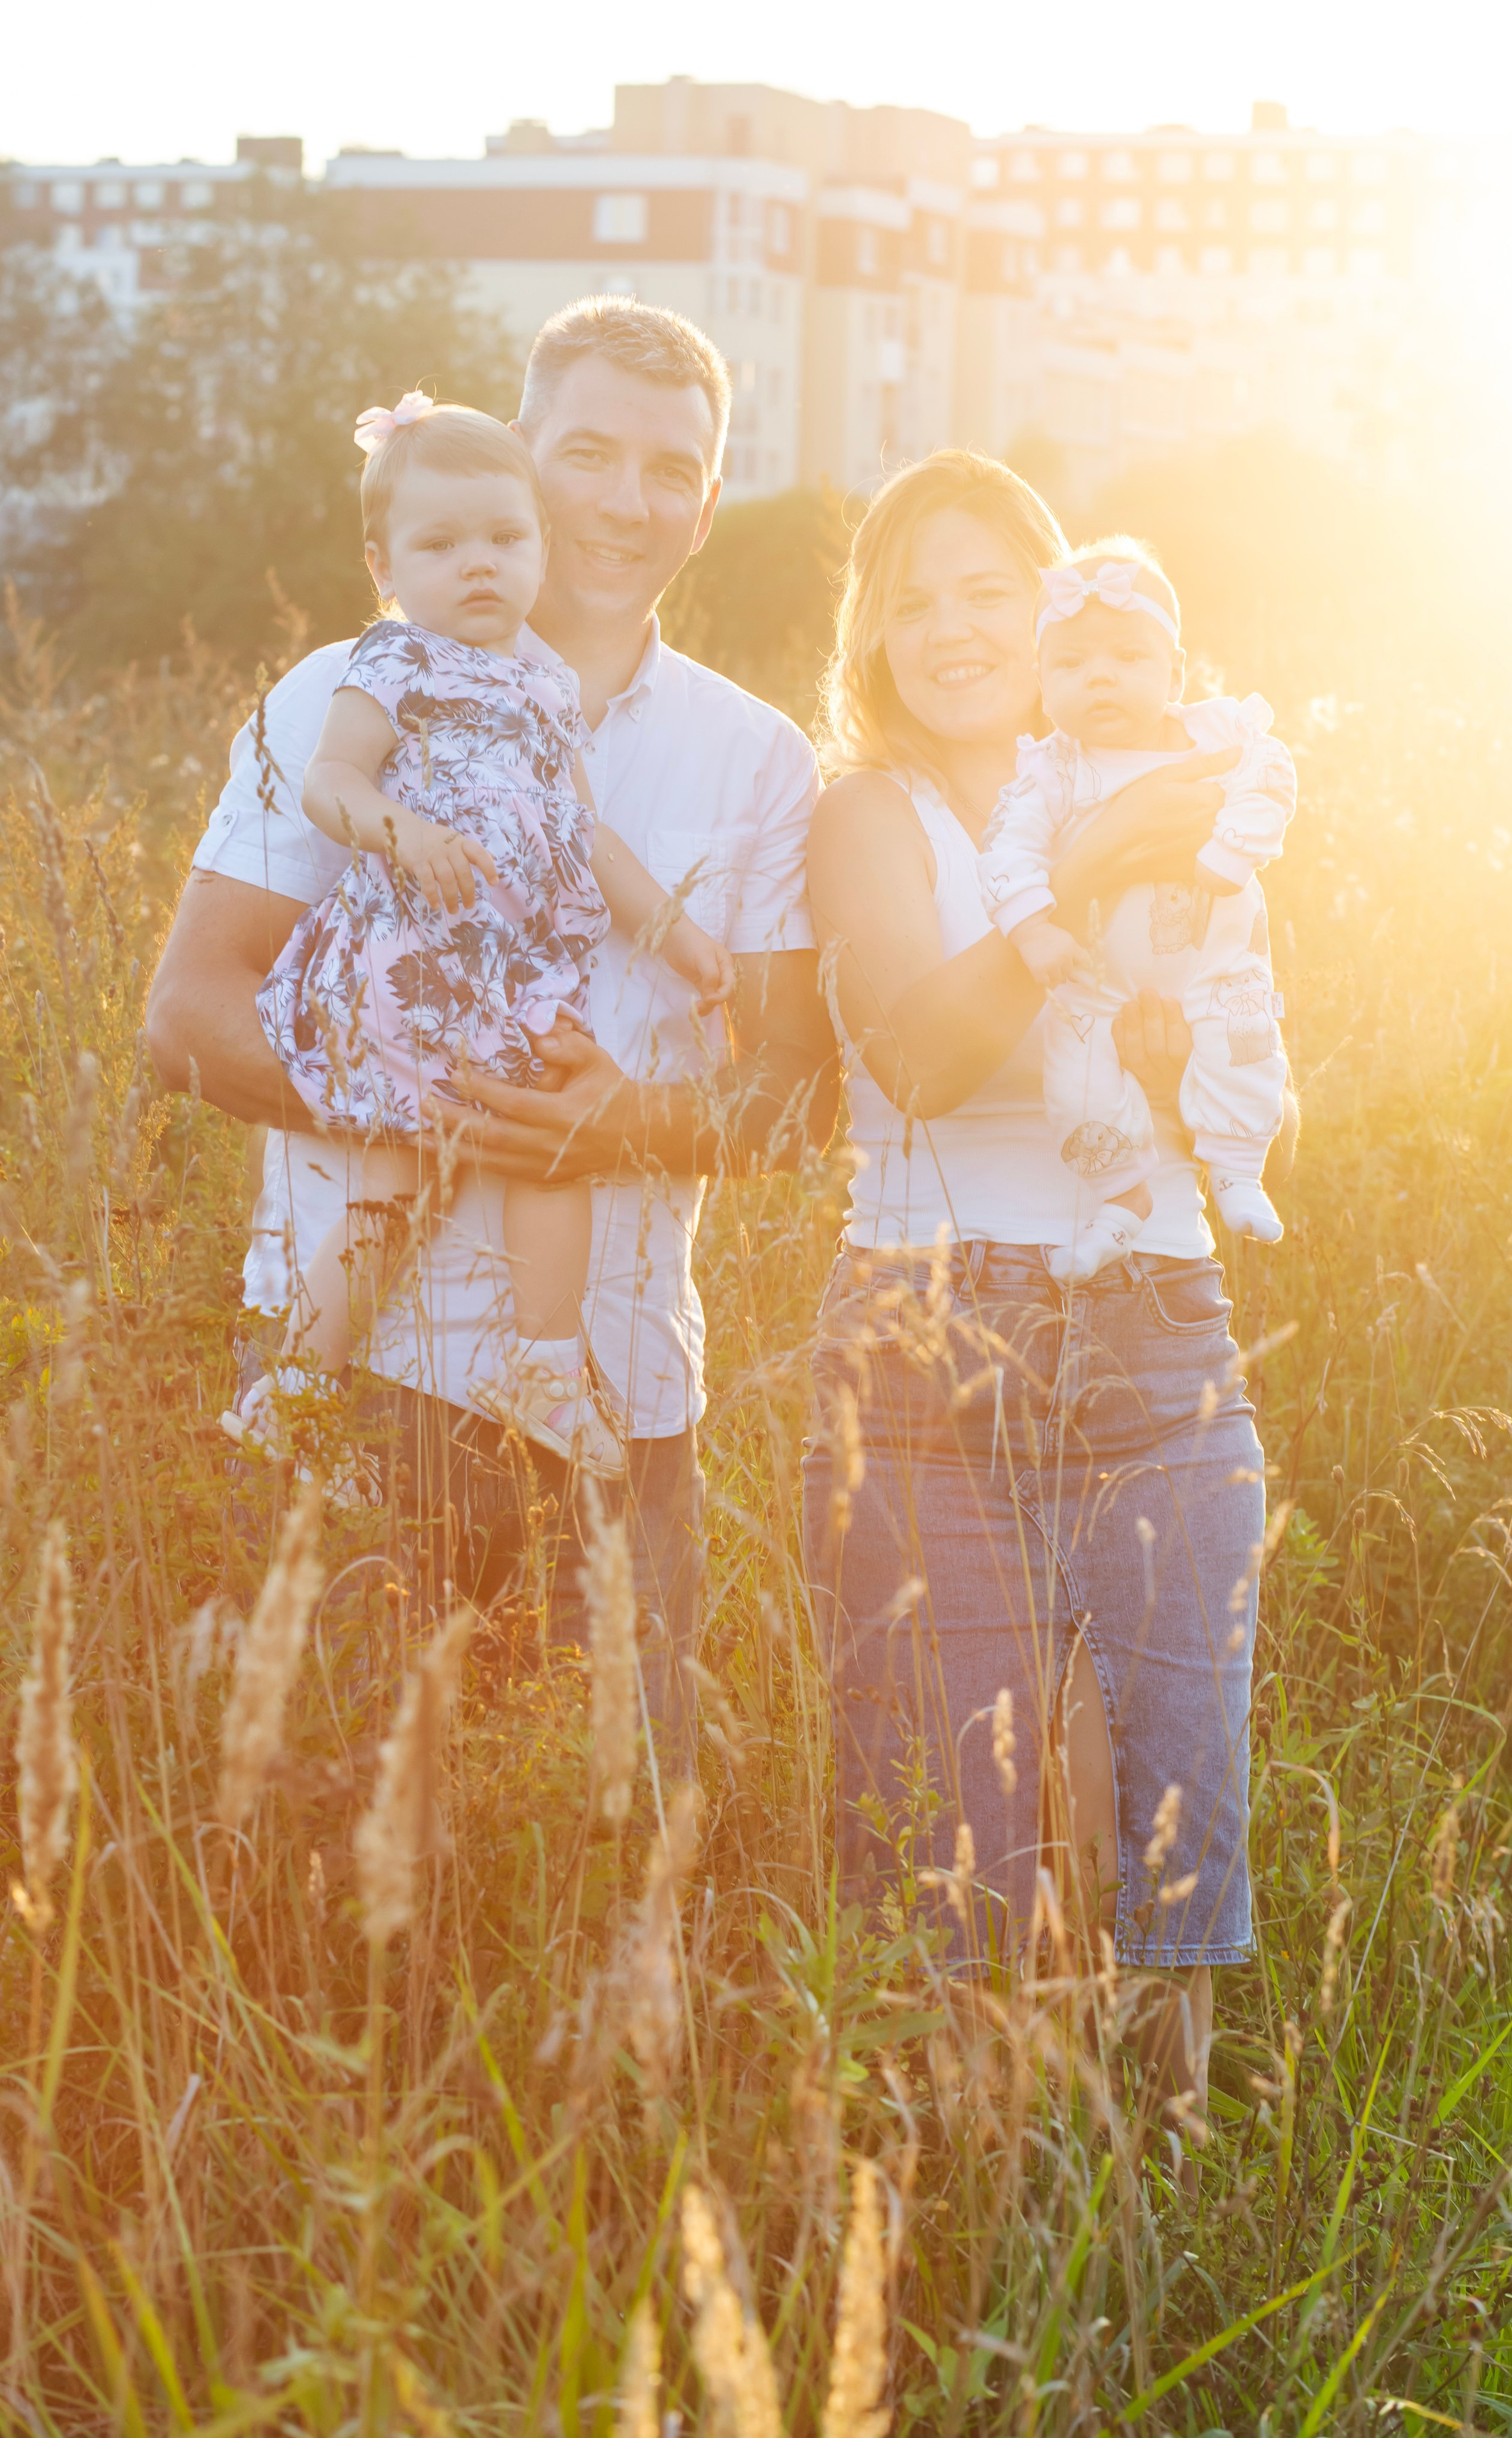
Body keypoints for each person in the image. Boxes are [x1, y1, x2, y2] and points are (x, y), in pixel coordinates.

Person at [146, 299, 838, 1758]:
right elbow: (191, 1015)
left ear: (708, 506)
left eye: (668, 470)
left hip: (620, 1410)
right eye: (584, 451)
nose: (622, 500)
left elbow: (795, 1091)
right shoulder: (345, 691)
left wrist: (627, 1123)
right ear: (519, 455)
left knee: (613, 1855)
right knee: (338, 1863)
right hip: (366, 1393)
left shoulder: (758, 758)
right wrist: (424, 1105)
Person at [802, 449, 1297, 2112]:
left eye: (989, 590)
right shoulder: (872, 815)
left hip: (1161, 1312)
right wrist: (1079, 885)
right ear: (872, 635)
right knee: (960, 1847)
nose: (952, 629)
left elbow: (1241, 1020)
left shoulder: (1170, 776)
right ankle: (972, 2219)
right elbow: (921, 1055)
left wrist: (1179, 1046)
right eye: (913, 600)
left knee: (1177, 1815)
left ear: (1063, 601)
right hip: (941, 1328)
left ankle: (1156, 2217)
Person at [243, 392, 730, 1470]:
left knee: (535, 1154)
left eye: (505, 539)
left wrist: (682, 941)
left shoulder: (544, 685)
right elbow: (330, 781)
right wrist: (399, 830)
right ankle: (306, 1376)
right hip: (413, 964)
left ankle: (536, 1366)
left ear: (539, 547)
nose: (478, 564)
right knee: (399, 1186)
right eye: (441, 543)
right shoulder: (395, 662)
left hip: (510, 973)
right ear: (384, 564)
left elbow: (586, 832)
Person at [977, 540, 1296, 1277]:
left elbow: (1273, 775)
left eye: (1127, 658)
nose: (1100, 678)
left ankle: (1238, 1169)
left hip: (1215, 961)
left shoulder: (1214, 734)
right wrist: (1032, 932)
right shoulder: (1053, 769)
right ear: (1041, 681)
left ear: (1175, 671)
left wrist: (1232, 849)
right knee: (1074, 1086)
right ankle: (1121, 1195)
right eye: (1071, 664)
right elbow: (1006, 852)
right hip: (1096, 972)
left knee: (1245, 1044)